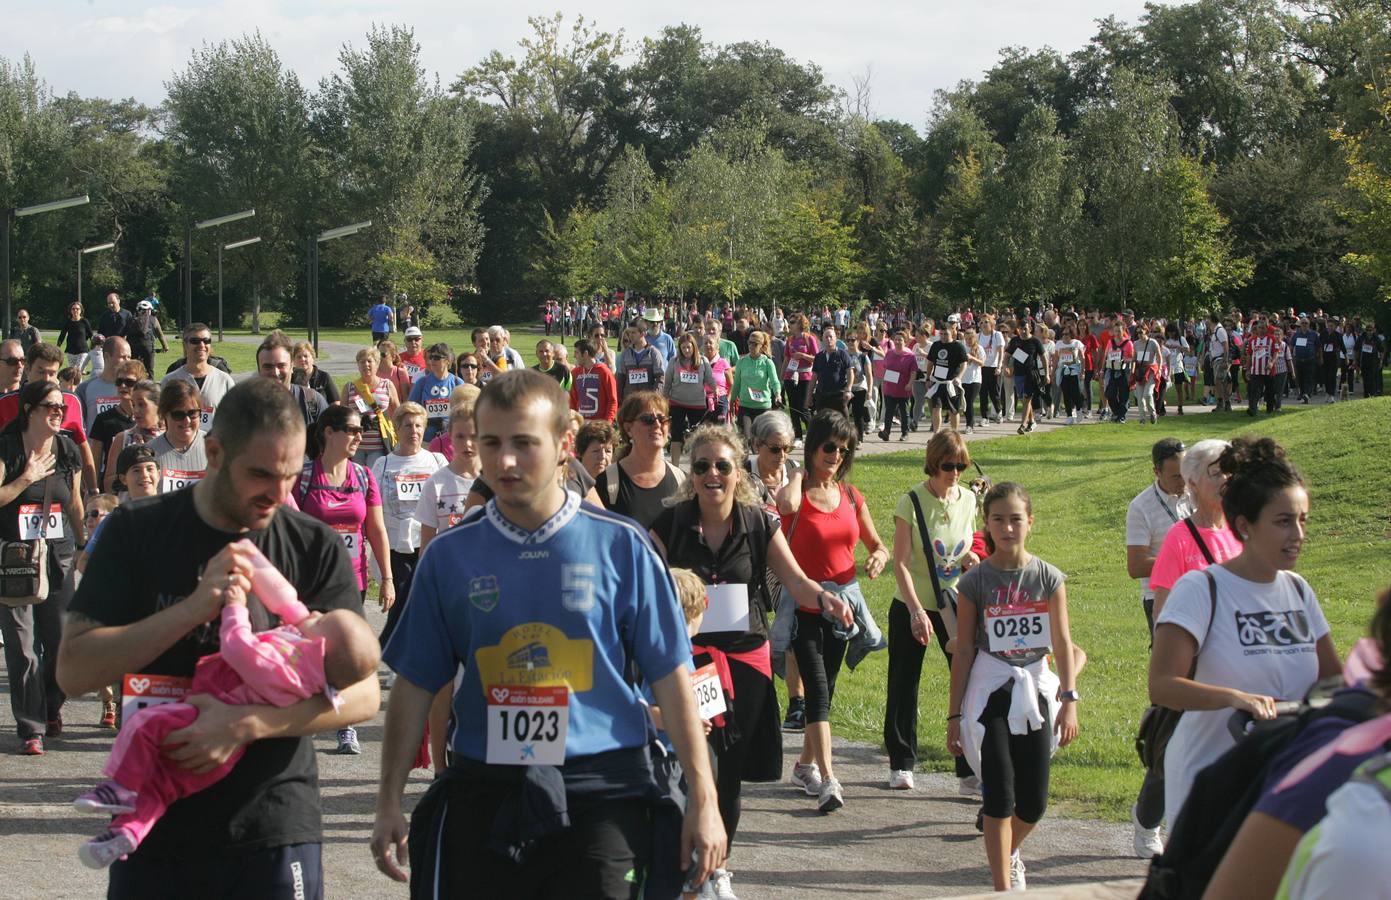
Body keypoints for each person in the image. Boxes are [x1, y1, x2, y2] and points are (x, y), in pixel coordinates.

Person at [371, 369, 726, 896]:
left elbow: (673, 677)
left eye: (524, 443)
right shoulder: (449, 556)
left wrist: (704, 799)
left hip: (602, 791)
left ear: (563, 444)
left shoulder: (622, 547)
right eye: (491, 443)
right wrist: (388, 800)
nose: (505, 461)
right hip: (486, 786)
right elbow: (415, 684)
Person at [57, 377, 377, 897]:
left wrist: (248, 723)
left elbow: (362, 692)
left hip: (272, 824)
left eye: (290, 477)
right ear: (213, 451)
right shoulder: (136, 530)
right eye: (260, 475)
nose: (277, 495)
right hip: (155, 831)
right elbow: (72, 671)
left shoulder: (311, 543)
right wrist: (192, 609)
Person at [649, 422, 847, 898]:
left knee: (730, 771)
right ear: (690, 475)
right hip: (690, 662)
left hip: (745, 662)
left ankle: (718, 866)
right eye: (701, 467)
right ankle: (687, 864)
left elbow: (795, 580)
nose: (712, 474)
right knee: (699, 764)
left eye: (722, 465)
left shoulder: (758, 522)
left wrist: (825, 598)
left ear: (738, 471)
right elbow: (643, 589)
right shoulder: (670, 526)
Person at [73, 596, 380, 868]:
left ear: (320, 647)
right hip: (222, 756)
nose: (314, 613)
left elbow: (238, 647)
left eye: (322, 619)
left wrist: (235, 607)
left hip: (204, 716)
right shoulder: (309, 669)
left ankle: (120, 786)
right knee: (161, 788)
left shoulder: (288, 661)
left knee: (144, 726)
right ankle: (127, 832)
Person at [1149, 437, 1342, 829]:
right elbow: (1163, 685)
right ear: (1244, 526)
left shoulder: (1299, 591)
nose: (1298, 535)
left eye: (1302, 520)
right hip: (1209, 783)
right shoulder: (1201, 589)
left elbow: (1336, 682)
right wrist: (1235, 699)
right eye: (1284, 521)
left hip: (1281, 781)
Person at [948, 483, 1080, 892]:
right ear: (986, 524)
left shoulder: (1048, 577)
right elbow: (965, 649)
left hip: (1036, 690)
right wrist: (954, 715)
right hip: (993, 690)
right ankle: (1002, 887)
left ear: (1030, 523)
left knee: (1034, 804)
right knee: (1000, 795)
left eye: (1015, 519)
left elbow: (1062, 642)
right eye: (998, 519)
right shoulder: (975, 581)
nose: (1007, 528)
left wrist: (1069, 699)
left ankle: (1005, 849)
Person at [776, 412, 888, 814]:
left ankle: (804, 765)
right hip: (805, 606)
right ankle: (829, 778)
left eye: (844, 450)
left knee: (827, 693)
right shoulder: (798, 491)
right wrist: (797, 472)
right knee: (817, 693)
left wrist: (877, 557)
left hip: (843, 610)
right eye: (829, 447)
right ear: (813, 447)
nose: (836, 455)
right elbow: (784, 504)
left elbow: (877, 544)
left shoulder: (853, 496)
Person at [293, 405, 392, 755]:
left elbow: (376, 530)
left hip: (353, 579)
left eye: (359, 430)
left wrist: (388, 578)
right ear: (328, 433)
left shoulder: (364, 476)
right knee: (308, 650)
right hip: (309, 583)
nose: (357, 436)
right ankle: (302, 719)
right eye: (351, 430)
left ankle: (345, 725)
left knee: (346, 652)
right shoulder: (302, 477)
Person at [886, 430, 982, 793]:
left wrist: (971, 557)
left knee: (967, 682)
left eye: (960, 465)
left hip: (955, 606)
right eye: (947, 466)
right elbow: (901, 563)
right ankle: (901, 761)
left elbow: (969, 543)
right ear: (932, 463)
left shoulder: (969, 499)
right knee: (904, 682)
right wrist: (914, 611)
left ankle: (967, 766)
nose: (954, 472)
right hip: (913, 602)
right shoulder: (910, 500)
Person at [0, 380, 86, 755]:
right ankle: (30, 726)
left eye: (61, 408)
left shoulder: (67, 448)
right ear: (29, 409)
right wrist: (26, 478)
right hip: (15, 559)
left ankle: (50, 705)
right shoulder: (7, 446)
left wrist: (85, 545)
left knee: (63, 642)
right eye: (50, 406)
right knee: (22, 645)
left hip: (59, 555)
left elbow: (76, 504)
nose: (58, 412)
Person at [1123, 437, 1193, 855]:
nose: (1181, 484)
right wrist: (1184, 557)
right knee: (1176, 714)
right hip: (1163, 603)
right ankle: (1148, 819)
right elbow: (1135, 565)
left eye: (1186, 475)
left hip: (1209, 603)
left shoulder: (1199, 499)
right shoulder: (1142, 507)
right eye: (1173, 477)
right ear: (1155, 472)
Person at [370, 401, 447, 649]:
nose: (413, 431)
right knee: (401, 604)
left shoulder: (437, 461)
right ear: (397, 429)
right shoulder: (382, 465)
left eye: (418, 426)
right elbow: (376, 508)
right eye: (407, 426)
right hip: (396, 547)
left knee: (429, 607)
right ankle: (389, 654)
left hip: (430, 546)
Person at [594, 392, 686, 530]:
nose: (657, 424)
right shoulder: (606, 482)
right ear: (628, 428)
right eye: (648, 419)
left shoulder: (682, 480)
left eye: (662, 419)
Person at [415, 397, 481, 551]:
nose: (467, 444)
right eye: (460, 436)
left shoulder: (497, 482)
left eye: (474, 436)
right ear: (449, 435)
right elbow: (426, 548)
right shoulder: (435, 485)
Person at [257, 331, 328, 459]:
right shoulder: (244, 406)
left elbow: (332, 448)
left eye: (281, 365)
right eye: (267, 367)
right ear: (259, 369)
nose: (275, 372)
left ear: (292, 366)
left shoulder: (313, 401)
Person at [163, 323, 236, 434]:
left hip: (215, 445)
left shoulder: (224, 380)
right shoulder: (170, 381)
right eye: (195, 341)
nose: (201, 345)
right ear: (185, 345)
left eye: (206, 341)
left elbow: (235, 417)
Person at [90, 361, 147, 487]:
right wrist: (92, 490)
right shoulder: (104, 419)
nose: (122, 385)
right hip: (113, 488)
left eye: (129, 382)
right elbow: (95, 461)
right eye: (119, 381)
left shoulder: (149, 420)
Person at [665, 331, 719, 463]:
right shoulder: (674, 362)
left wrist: (716, 390)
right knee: (676, 436)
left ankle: (697, 465)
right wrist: (663, 400)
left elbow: (709, 379)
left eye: (689, 347)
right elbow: (667, 384)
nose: (686, 350)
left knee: (698, 437)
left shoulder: (703, 361)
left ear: (694, 347)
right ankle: (675, 466)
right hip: (677, 403)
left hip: (697, 404)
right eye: (683, 347)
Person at [342, 347, 400, 468]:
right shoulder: (349, 387)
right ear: (358, 365)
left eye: (369, 361)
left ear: (377, 363)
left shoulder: (387, 385)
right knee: (357, 481)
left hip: (379, 445)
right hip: (355, 445)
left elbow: (398, 414)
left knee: (375, 480)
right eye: (362, 362)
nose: (366, 365)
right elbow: (342, 417)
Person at [148, 381, 208, 494]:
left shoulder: (214, 446)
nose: (187, 421)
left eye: (192, 413)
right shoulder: (150, 452)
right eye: (178, 415)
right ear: (164, 414)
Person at [102, 380, 162, 493]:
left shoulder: (169, 438)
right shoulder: (122, 438)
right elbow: (108, 484)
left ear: (158, 406)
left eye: (141, 404)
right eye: (133, 405)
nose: (136, 410)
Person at [407, 342, 464, 443]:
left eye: (437, 357)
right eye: (431, 357)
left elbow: (466, 411)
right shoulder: (422, 382)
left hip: (451, 437)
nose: (432, 360)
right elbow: (410, 407)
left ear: (447, 361)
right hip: (426, 437)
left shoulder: (457, 382)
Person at [75, 336, 132, 435]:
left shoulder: (134, 387)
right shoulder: (85, 389)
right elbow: (77, 426)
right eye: (123, 357)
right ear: (106, 356)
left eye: (129, 357)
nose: (127, 362)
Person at [731, 331, 780, 439]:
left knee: (761, 441)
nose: (751, 346)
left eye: (755, 344)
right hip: (745, 406)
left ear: (762, 346)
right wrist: (732, 401)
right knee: (746, 439)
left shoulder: (767, 362)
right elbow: (737, 384)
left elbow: (774, 382)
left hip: (763, 407)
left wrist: (778, 395)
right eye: (749, 343)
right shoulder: (741, 362)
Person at [1006, 321, 1050, 433]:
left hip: (1031, 374)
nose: (1023, 331)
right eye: (1021, 329)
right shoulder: (1015, 341)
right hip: (1018, 374)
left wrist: (1047, 374)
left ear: (1030, 328)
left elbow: (1044, 357)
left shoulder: (1035, 341)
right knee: (1023, 400)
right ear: (1018, 329)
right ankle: (1032, 421)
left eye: (1025, 328)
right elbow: (1007, 355)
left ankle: (1022, 425)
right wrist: (1004, 366)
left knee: (1027, 398)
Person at [925, 320, 968, 433]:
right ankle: (936, 435)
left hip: (951, 383)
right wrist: (928, 378)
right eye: (942, 334)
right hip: (937, 382)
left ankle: (954, 434)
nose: (943, 336)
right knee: (936, 408)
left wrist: (959, 377)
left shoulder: (958, 346)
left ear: (952, 332)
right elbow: (930, 363)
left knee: (953, 410)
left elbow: (964, 363)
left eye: (946, 334)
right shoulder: (936, 345)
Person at [781, 314, 819, 443]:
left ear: (800, 324)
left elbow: (817, 358)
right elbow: (786, 359)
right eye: (789, 322)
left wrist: (803, 355)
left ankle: (812, 433)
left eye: (792, 322)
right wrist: (782, 378)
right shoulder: (790, 340)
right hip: (791, 376)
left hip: (805, 376)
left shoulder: (809, 338)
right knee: (793, 407)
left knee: (803, 407)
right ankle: (797, 435)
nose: (790, 325)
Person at [878, 330, 917, 442]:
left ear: (905, 341)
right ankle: (886, 432)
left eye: (900, 340)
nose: (898, 342)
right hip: (890, 388)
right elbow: (885, 367)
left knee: (904, 412)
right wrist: (884, 380)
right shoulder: (889, 353)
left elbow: (913, 372)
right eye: (896, 339)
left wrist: (910, 383)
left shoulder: (910, 355)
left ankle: (905, 433)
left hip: (903, 389)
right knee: (889, 412)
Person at [570, 338, 619, 423]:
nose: (574, 356)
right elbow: (573, 400)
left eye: (576, 352)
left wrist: (607, 423)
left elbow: (612, 400)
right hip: (581, 425)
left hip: (599, 425)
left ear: (585, 354)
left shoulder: (604, 372)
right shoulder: (575, 373)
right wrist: (574, 421)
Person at [810, 325, 856, 417]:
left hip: (838, 396)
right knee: (823, 424)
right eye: (826, 337)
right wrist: (809, 395)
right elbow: (814, 377)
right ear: (822, 339)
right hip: (822, 396)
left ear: (836, 339)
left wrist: (848, 389)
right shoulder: (819, 357)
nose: (828, 339)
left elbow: (850, 372)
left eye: (831, 337)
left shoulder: (843, 354)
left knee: (842, 426)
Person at [615, 321, 667, 401]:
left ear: (643, 333)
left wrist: (654, 398)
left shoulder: (654, 353)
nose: (630, 336)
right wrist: (620, 401)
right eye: (629, 333)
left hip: (647, 402)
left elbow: (660, 378)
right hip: (629, 403)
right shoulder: (625, 354)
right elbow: (621, 379)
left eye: (633, 333)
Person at [123, 300, 167, 377]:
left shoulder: (131, 319)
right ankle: (149, 385)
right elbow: (160, 334)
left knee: (133, 369)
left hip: (133, 347)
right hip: (147, 347)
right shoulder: (153, 319)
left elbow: (125, 334)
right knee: (149, 370)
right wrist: (165, 346)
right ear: (149, 310)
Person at [57, 301, 95, 375]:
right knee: (72, 372)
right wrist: (58, 347)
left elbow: (91, 334)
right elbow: (62, 335)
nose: (75, 311)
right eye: (73, 309)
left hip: (83, 351)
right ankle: (74, 386)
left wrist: (94, 346)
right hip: (70, 351)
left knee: (78, 370)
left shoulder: (84, 321)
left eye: (77, 309)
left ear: (81, 310)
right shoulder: (68, 322)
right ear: (70, 311)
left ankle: (79, 385)